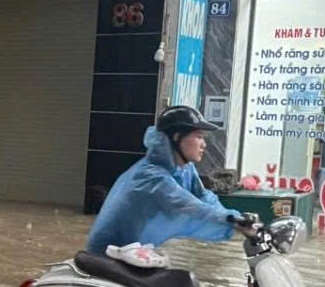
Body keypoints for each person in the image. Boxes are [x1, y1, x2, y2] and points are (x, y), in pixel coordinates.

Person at [86, 105, 255, 257]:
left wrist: (236, 219)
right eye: (199, 136)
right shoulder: (152, 177)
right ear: (177, 137)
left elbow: (205, 198)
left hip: (135, 250)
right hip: (110, 252)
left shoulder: (185, 169)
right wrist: (235, 221)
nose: (204, 144)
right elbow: (191, 206)